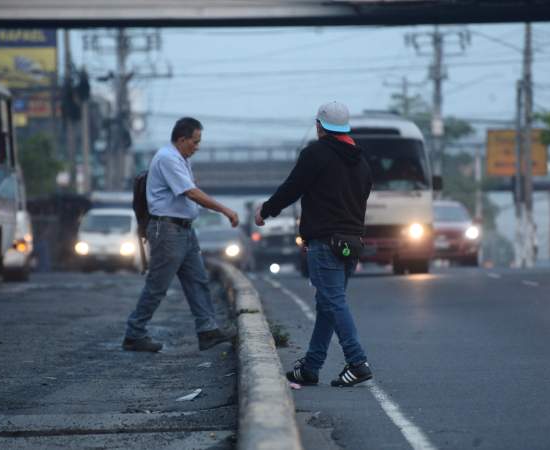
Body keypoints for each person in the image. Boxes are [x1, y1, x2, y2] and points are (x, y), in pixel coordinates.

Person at [255, 101, 373, 387]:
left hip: (325, 242)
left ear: (320, 126)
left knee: (332, 301)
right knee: (327, 304)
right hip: (352, 242)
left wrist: (266, 210)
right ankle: (311, 366)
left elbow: (292, 187)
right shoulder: (361, 160)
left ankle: (357, 362)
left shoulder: (316, 153)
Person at [123, 117, 239, 352]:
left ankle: (207, 330)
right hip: (168, 231)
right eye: (194, 142)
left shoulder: (181, 159)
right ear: (181, 139)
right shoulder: (168, 158)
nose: (197, 147)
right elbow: (191, 193)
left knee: (198, 281)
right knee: (158, 285)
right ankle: (134, 333)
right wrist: (225, 210)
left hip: (184, 230)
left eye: (198, 142)